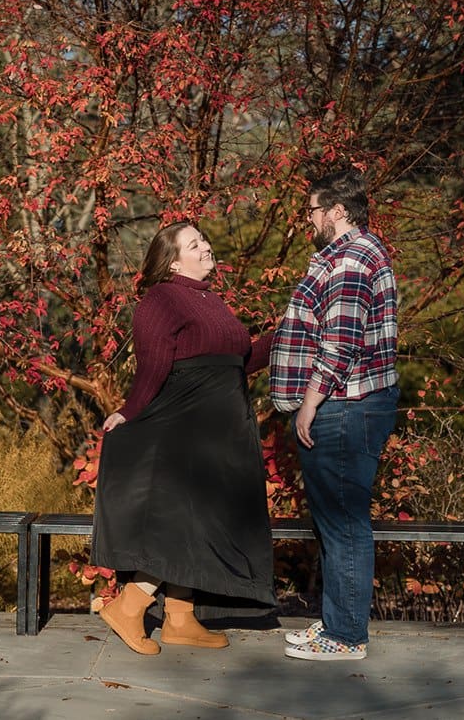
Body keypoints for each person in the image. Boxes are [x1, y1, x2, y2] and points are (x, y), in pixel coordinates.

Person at [90, 221, 275, 655]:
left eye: (205, 240)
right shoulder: (161, 299)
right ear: (174, 261)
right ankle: (128, 607)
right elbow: (153, 367)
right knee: (183, 522)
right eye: (195, 244)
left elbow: (237, 362)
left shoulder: (210, 300)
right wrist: (128, 412)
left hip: (218, 432)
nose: (207, 246)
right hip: (182, 428)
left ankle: (179, 618)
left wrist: (287, 335)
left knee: (205, 519)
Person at [267, 167, 399, 661]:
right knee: (334, 521)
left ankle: (345, 638)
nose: (309, 220)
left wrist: (309, 402)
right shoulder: (349, 255)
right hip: (351, 403)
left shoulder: (351, 258)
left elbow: (340, 342)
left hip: (345, 406)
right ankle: (336, 623)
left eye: (313, 211)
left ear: (337, 212)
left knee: (344, 523)